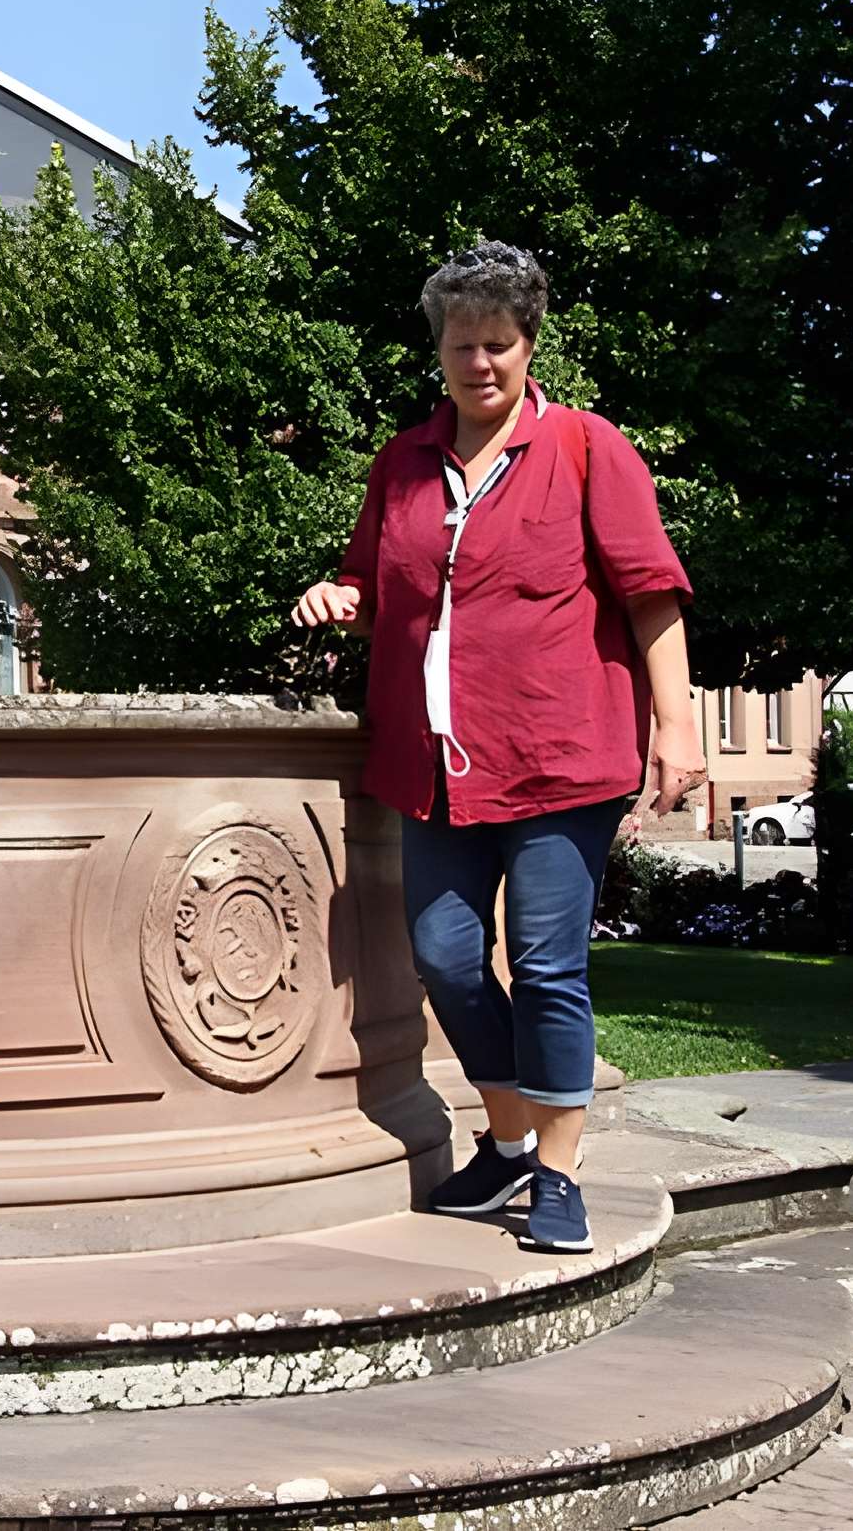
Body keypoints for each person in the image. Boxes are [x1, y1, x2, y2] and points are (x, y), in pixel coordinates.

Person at [294, 242, 702, 1255]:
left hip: (560, 752)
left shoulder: (585, 448)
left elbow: (650, 594)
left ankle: (558, 1171)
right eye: (460, 345)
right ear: (437, 349)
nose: (478, 362)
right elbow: (375, 586)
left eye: (497, 344)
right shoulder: (402, 464)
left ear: (527, 345)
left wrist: (678, 727)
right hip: (432, 762)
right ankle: (510, 1137)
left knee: (546, 965)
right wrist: (340, 597)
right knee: (442, 954)